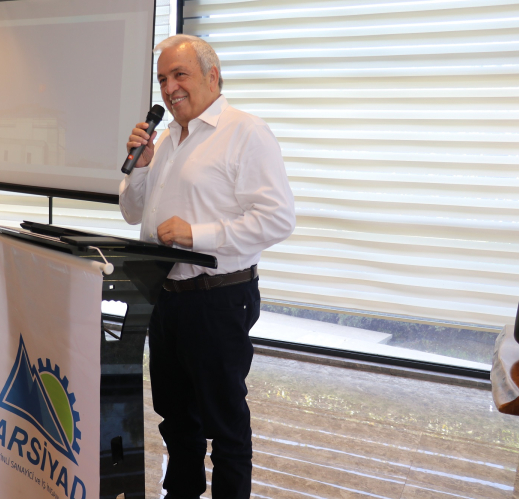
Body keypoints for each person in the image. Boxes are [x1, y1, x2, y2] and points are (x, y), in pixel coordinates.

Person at [119, 34, 295, 499]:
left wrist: (197, 235)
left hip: (217, 298)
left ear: (212, 76)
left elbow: (277, 219)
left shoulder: (245, 132)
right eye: (162, 79)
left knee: (224, 424)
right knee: (176, 418)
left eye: (180, 75)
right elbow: (133, 214)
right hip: (165, 299)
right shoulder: (167, 139)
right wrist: (141, 166)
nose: (169, 88)